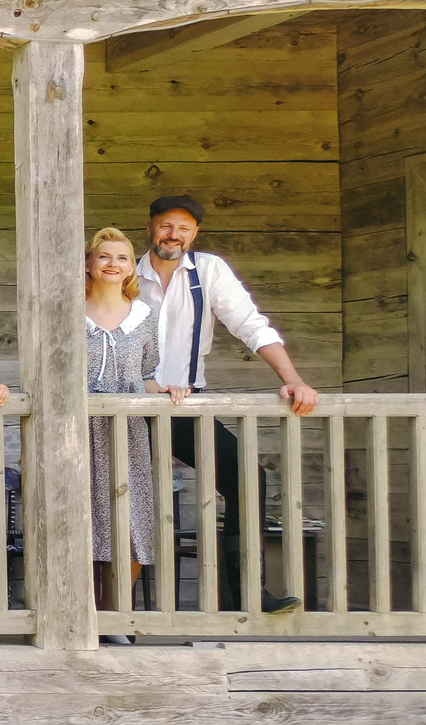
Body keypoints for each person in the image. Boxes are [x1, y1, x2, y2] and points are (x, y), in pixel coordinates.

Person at [134, 194, 315, 616]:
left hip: (183, 406)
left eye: (184, 228)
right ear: (149, 228)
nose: (173, 235)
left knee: (245, 477)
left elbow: (250, 325)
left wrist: (293, 380)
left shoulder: (208, 271)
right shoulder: (125, 271)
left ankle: (248, 595)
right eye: (165, 225)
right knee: (115, 496)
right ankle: (101, 606)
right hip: (124, 405)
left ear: (195, 233)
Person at [86, 227, 171, 620]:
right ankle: (86, 613)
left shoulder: (143, 317)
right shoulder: (69, 312)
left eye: (121, 257)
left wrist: (168, 392)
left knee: (130, 519)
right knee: (84, 517)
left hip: (127, 432)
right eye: (104, 256)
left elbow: (147, 374)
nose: (112, 264)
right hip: (79, 431)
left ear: (129, 267)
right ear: (89, 263)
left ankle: (117, 614)